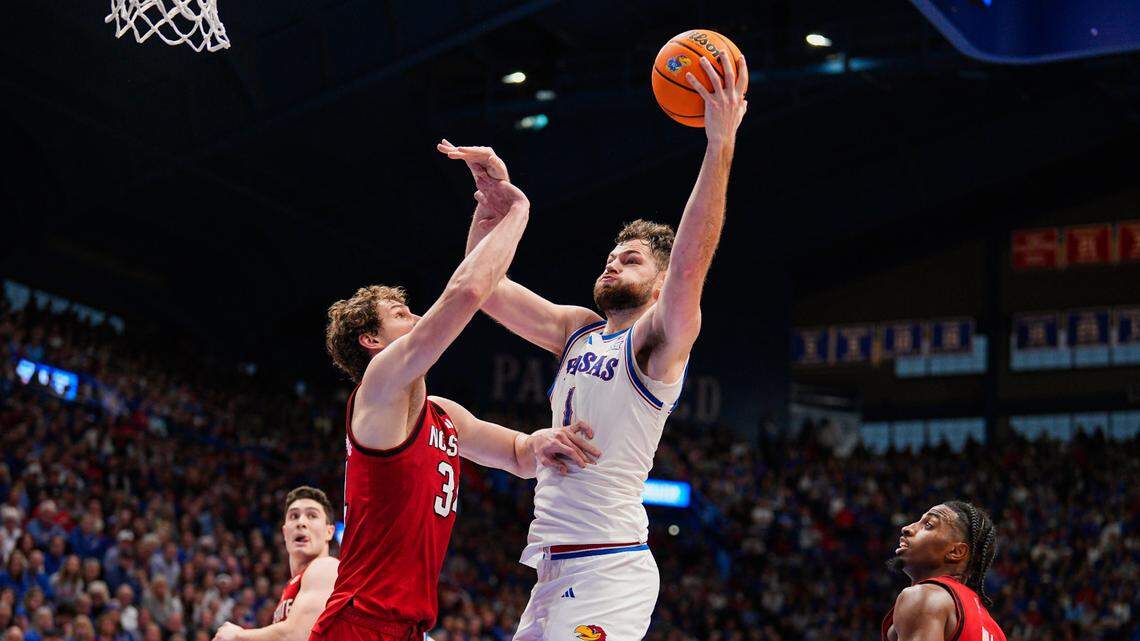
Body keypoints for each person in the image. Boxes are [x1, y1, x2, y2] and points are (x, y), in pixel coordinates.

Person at [439, 50, 748, 640]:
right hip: (555, 571)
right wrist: (491, 208)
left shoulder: (657, 340)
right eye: (610, 255)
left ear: (656, 284)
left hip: (608, 567)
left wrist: (719, 144)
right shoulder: (577, 328)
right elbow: (484, 288)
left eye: (630, 259)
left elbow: (688, 268)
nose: (612, 262)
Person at [313, 159, 602, 641]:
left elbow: (516, 454)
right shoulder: (379, 385)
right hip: (361, 621)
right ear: (370, 341)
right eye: (402, 313)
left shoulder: (444, 416)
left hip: (407, 627)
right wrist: (516, 213)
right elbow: (466, 292)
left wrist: (544, 443)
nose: (420, 316)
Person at [213, 488, 338, 641]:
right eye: (294, 516)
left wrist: (238, 635)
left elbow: (297, 635)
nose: (301, 523)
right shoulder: (292, 587)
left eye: (312, 515)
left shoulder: (326, 567)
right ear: (285, 533)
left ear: (329, 532)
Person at [883, 501, 1006, 641]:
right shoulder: (993, 629)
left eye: (928, 525)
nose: (907, 528)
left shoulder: (925, 596)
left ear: (956, 551)